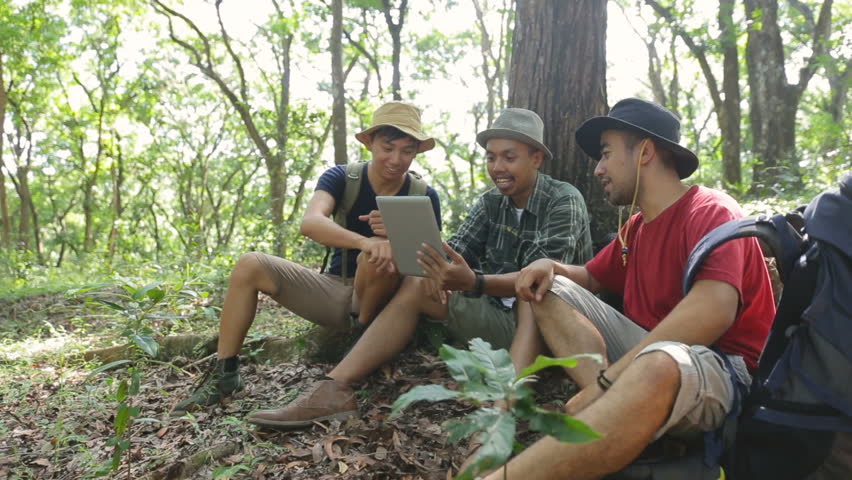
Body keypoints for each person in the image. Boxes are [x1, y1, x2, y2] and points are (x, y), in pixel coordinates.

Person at [244, 107, 594, 430]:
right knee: (415, 283)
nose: (498, 167)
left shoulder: (563, 199)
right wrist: (407, 240)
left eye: (509, 157)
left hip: (548, 328)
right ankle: (336, 387)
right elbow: (453, 252)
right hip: (494, 315)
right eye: (491, 157)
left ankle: (508, 403)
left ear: (536, 158)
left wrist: (474, 280)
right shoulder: (491, 203)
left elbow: (538, 282)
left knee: (532, 299)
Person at [482, 98, 776, 480]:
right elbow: (588, 277)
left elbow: (714, 310)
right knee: (550, 289)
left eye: (605, 154)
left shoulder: (710, 210)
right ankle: (614, 413)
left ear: (646, 153)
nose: (598, 169)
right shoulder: (636, 227)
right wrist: (549, 266)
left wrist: (608, 381)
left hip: (724, 368)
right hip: (650, 360)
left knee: (658, 363)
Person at [172, 101, 442, 415]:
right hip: (336, 290)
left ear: (416, 153)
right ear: (370, 143)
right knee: (250, 264)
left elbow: (428, 261)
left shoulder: (423, 194)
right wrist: (364, 241)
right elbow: (311, 222)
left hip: (386, 306)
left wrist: (393, 238)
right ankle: (225, 373)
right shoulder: (344, 178)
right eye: (388, 147)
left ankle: (359, 342)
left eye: (407, 151)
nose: (396, 159)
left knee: (377, 258)